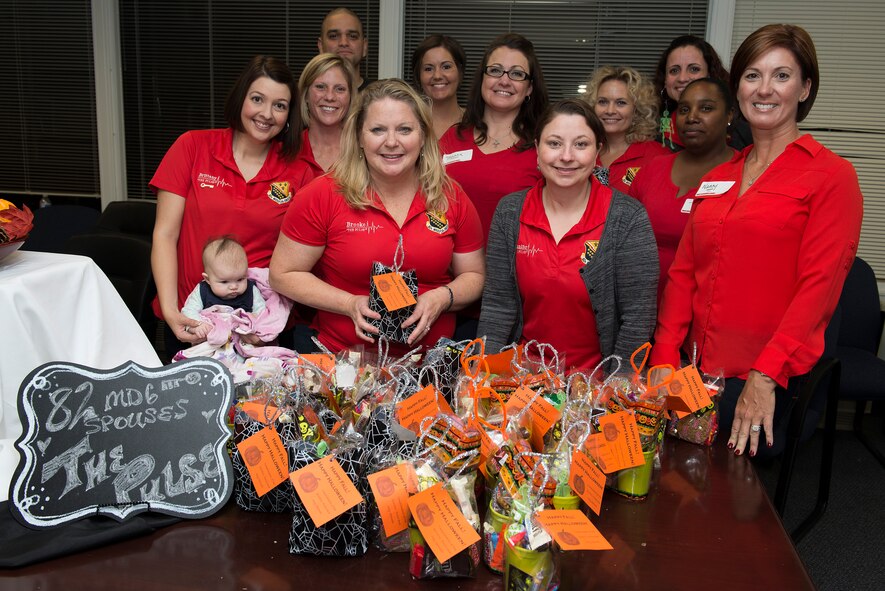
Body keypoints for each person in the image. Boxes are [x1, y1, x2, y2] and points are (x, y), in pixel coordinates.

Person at [651, 24, 863, 458]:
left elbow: (819, 289)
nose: (764, 89)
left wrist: (764, 377)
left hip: (763, 377)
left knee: (730, 504)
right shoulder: (718, 177)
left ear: (805, 88)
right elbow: (684, 272)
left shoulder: (832, 177)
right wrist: (664, 358)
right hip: (692, 369)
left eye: (781, 76)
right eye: (752, 75)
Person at [269, 79, 485, 354]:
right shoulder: (323, 194)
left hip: (431, 370)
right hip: (344, 366)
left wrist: (443, 297)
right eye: (378, 130)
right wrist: (348, 303)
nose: (392, 142)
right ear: (359, 136)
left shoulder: (450, 196)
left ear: (422, 136)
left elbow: (475, 275)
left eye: (405, 129)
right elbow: (283, 274)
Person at [478, 99, 658, 371]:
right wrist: (485, 376)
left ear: (598, 150)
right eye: (554, 143)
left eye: (581, 144)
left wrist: (615, 390)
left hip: (593, 386)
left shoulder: (627, 217)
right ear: (537, 148)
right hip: (522, 383)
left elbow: (637, 319)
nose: (566, 156)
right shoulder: (510, 212)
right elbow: (497, 307)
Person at [151, 55, 308, 356]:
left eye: (280, 105)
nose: (266, 114)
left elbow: (301, 256)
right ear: (240, 99)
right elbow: (165, 236)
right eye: (257, 99)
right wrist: (172, 312)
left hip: (261, 332)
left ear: (290, 115)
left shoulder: (299, 170)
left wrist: (265, 327)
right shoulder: (193, 147)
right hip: (192, 323)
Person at [629, 77, 736, 299]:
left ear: (729, 115)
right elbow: (626, 241)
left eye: (706, 108)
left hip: (707, 308)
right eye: (684, 109)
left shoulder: (743, 173)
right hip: (643, 307)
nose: (692, 117)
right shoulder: (654, 168)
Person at [439, 33, 549, 241]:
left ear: (530, 88)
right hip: (450, 269)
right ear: (483, 78)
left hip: (511, 269)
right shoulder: (453, 137)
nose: (504, 80)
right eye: (495, 71)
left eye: (517, 74)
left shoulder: (542, 147)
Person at [653, 35, 751, 151]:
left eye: (694, 69)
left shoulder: (742, 128)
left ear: (710, 74)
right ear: (665, 79)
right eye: (674, 70)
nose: (682, 78)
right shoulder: (650, 128)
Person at [583, 66, 669, 194]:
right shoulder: (582, 151)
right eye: (603, 102)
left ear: (636, 110)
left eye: (621, 103)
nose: (610, 111)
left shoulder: (657, 156)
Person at [181, 237, 267, 340]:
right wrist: (199, 325)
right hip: (212, 338)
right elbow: (188, 311)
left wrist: (252, 319)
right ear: (208, 279)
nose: (234, 286)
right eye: (224, 282)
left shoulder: (251, 290)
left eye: (240, 279)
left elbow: (263, 312)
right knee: (191, 329)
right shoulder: (202, 290)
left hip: (243, 339)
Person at [295, 53, 357, 181]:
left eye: (339, 89)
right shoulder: (288, 150)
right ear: (306, 95)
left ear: (350, 97)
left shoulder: (362, 150)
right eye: (320, 87)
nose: (329, 97)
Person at [411, 34, 467, 140]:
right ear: (419, 76)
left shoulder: (476, 122)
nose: (437, 76)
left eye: (446, 67)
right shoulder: (409, 124)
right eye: (428, 69)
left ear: (460, 72)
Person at [317, 7, 370, 91]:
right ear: (321, 46)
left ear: (364, 47)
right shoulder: (305, 96)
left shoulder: (378, 97)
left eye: (352, 36)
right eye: (333, 36)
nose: (343, 43)